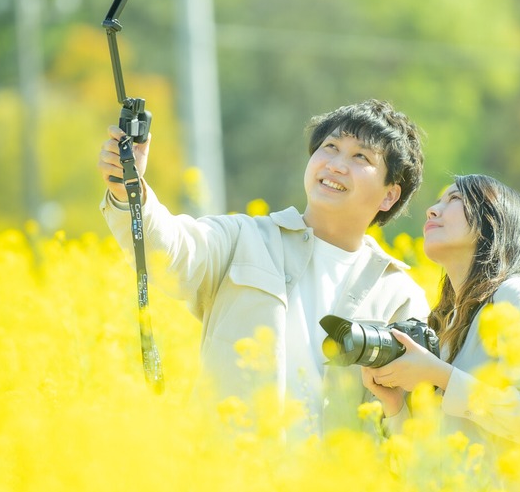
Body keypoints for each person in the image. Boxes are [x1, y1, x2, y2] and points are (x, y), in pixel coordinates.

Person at [98, 99, 429, 439]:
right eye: (330, 147)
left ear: (389, 196)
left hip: (334, 473)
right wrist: (129, 192)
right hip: (233, 468)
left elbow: (413, 425)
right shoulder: (243, 237)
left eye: (361, 157)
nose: (336, 165)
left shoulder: (400, 296)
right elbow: (172, 251)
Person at [361, 174, 520, 457]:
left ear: (492, 223)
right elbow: (428, 464)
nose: (432, 210)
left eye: (455, 199)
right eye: (438, 201)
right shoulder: (445, 325)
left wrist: (443, 377)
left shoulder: (515, 297)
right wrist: (395, 405)